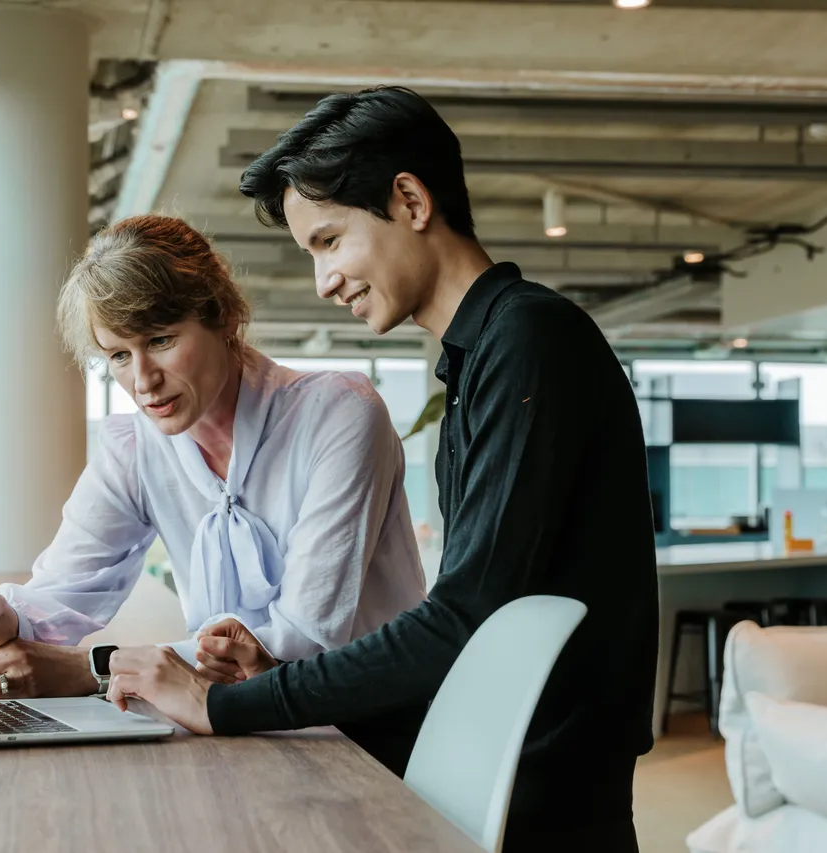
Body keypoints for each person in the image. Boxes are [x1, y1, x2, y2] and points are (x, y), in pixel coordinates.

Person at [103, 88, 659, 853]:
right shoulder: (483, 359)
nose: (325, 280)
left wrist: (230, 703)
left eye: (330, 241)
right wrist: (264, 677)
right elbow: (473, 632)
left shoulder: (530, 342)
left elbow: (464, 622)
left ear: (409, 199)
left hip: (542, 799)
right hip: (501, 764)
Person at [0, 214, 426, 703]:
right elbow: (62, 593)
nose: (144, 381)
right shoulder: (135, 448)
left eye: (162, 339)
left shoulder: (339, 415)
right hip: (236, 727)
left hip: (363, 729)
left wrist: (97, 670)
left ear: (222, 317)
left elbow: (303, 637)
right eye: (119, 356)